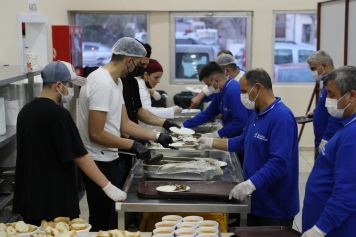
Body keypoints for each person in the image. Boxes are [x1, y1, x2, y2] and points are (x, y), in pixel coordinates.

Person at [78, 37, 174, 231]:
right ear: (129, 60)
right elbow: (96, 133)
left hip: (110, 155)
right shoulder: (101, 83)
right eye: (140, 65)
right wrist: (132, 145)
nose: (140, 71)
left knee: (109, 215)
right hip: (98, 160)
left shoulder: (117, 83)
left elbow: (125, 123)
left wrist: (155, 136)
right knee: (101, 220)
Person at [13, 61, 125, 226]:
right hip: (54, 202)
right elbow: (81, 156)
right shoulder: (59, 114)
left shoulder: (25, 111)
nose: (71, 90)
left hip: (29, 200)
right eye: (69, 85)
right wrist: (107, 186)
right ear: (58, 86)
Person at [194, 68, 299, 227]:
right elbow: (243, 142)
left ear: (258, 88)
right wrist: (210, 142)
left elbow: (279, 162)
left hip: (274, 206)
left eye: (244, 91)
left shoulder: (281, 117)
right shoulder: (257, 113)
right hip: (256, 199)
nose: (242, 96)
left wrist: (251, 184)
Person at [117, 41, 180, 191]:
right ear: (129, 60)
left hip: (129, 143)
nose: (143, 69)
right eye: (142, 64)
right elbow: (116, 123)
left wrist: (164, 123)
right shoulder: (111, 82)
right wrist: (134, 139)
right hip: (116, 150)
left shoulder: (131, 83)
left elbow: (139, 111)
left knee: (127, 187)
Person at [302, 66, 356, 237]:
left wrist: (320, 229)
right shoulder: (345, 124)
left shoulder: (352, 135)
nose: (327, 101)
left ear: (352, 96)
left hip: (334, 229)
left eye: (332, 95)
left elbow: (347, 191)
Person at [182, 62, 249, 139]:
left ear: (216, 80)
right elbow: (208, 113)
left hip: (243, 139)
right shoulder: (219, 92)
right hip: (233, 137)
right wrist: (183, 126)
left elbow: (241, 122)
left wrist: (219, 133)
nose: (208, 88)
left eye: (208, 85)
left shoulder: (234, 91)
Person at [306, 50, 342, 160]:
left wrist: (326, 139)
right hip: (320, 139)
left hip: (327, 141)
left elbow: (336, 115)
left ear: (324, 65)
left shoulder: (335, 83)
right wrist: (316, 112)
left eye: (313, 69)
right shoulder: (327, 83)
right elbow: (326, 105)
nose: (312, 72)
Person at [137, 58, 182, 129]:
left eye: (159, 78)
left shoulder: (142, 86)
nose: (158, 81)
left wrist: (152, 92)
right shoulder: (140, 87)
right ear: (145, 74)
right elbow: (147, 112)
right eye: (156, 77)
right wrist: (171, 110)